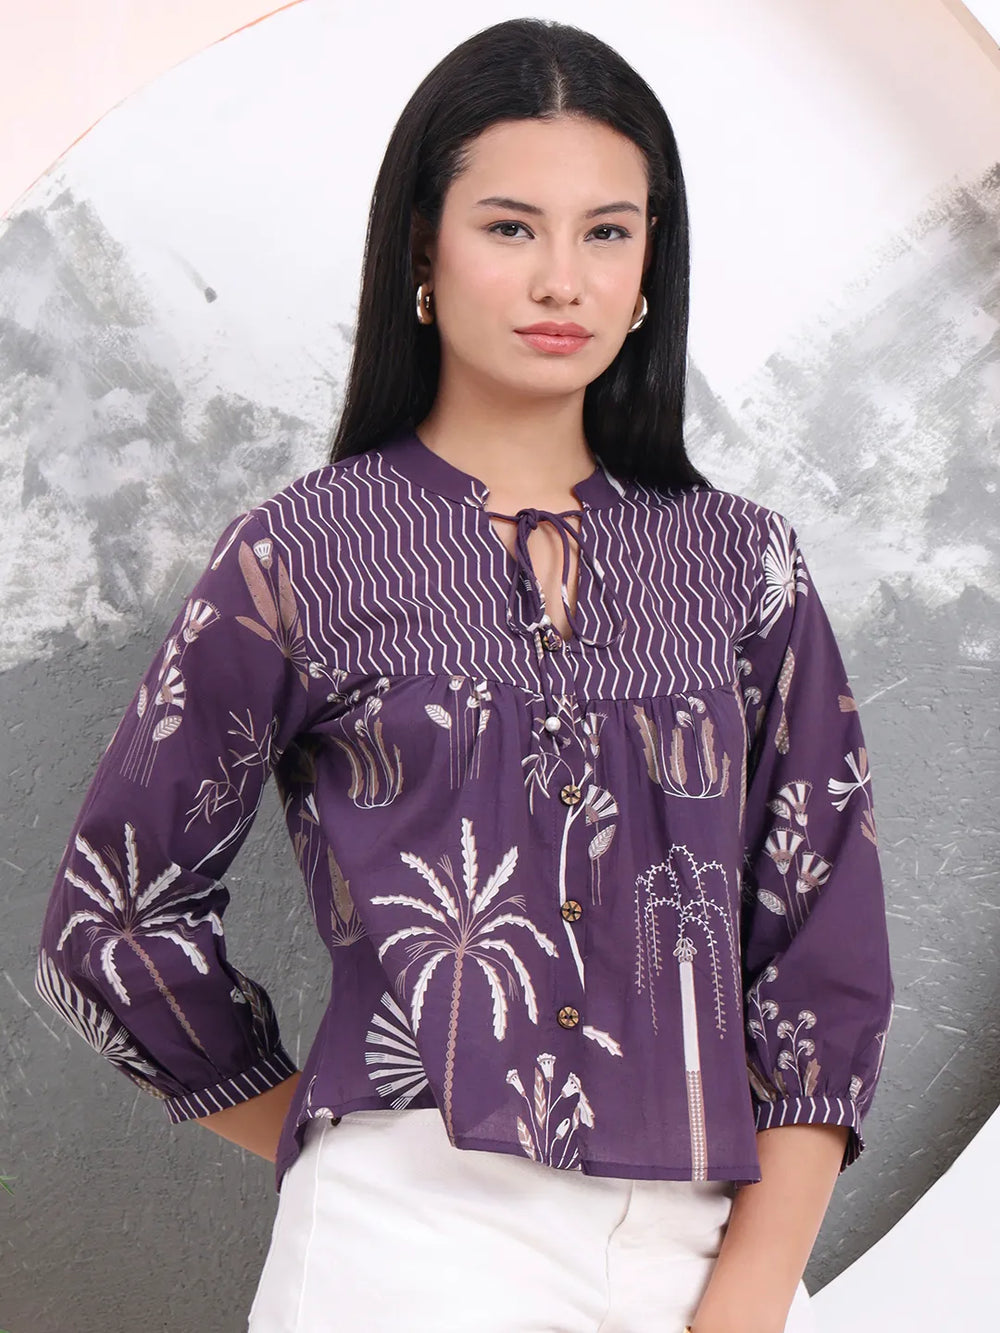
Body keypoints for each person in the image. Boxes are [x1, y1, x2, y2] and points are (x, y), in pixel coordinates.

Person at [35, 17, 894, 1333]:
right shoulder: (301, 555)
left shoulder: (744, 564)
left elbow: (822, 942)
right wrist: (334, 1145)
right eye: (510, 227)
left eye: (607, 232)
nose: (563, 279)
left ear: (650, 268)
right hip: (407, 1251)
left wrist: (753, 1290)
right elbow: (112, 922)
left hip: (719, 1246)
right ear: (421, 255)